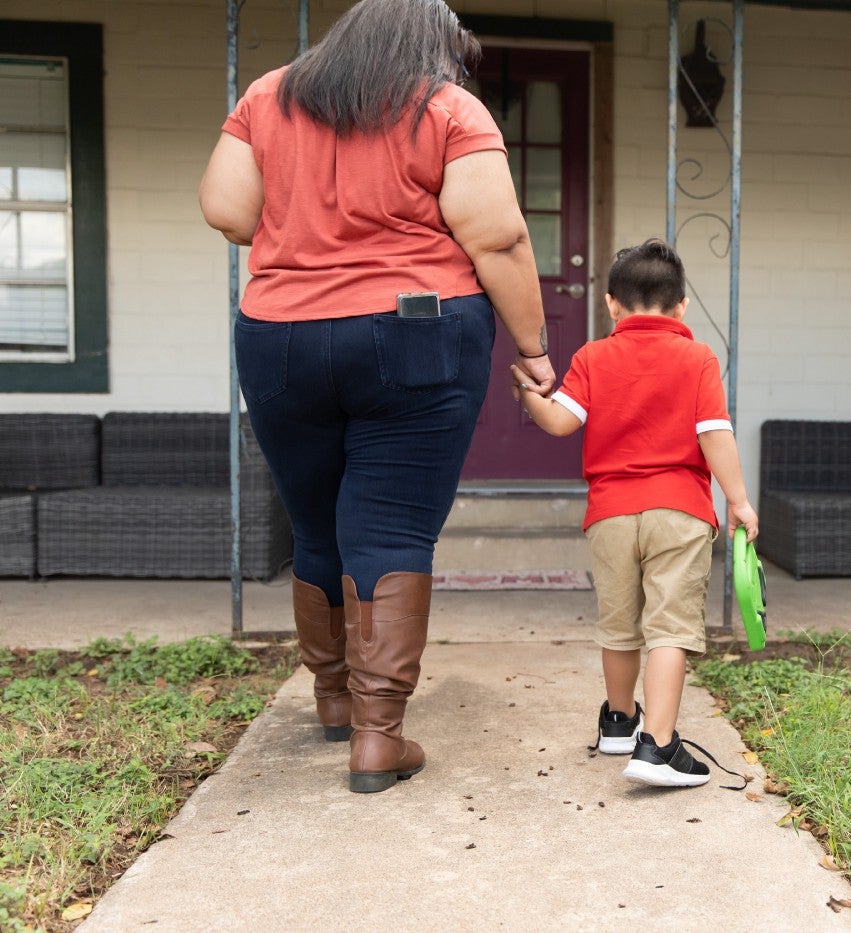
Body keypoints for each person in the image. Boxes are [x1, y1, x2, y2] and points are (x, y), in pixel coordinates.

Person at [198, 0, 555, 794]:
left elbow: (229, 213)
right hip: (416, 331)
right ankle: (377, 737)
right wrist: (533, 351)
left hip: (280, 336)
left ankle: (331, 697)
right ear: (433, 46)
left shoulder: (268, 95)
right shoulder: (447, 107)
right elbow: (496, 236)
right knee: (389, 525)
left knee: (317, 521)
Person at [511, 239, 757, 788]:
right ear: (682, 307)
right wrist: (737, 500)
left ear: (611, 304)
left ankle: (619, 723)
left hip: (611, 513)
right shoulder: (697, 358)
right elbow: (713, 432)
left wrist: (527, 391)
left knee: (619, 625)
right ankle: (659, 747)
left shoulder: (592, 357)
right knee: (669, 628)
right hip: (680, 510)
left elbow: (558, 422)